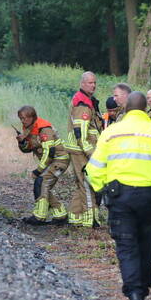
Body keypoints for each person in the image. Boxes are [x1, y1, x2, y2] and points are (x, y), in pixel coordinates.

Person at [87, 91, 151, 300]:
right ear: (145, 109)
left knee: (127, 248)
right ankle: (143, 292)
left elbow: (94, 169)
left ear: (126, 109)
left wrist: (103, 189)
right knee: (146, 247)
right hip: (150, 198)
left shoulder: (110, 133)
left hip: (121, 198)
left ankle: (135, 299)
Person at [16, 105, 70, 225]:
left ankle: (39, 217)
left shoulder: (44, 128)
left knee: (41, 183)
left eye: (24, 118)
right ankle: (60, 214)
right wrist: (22, 142)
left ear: (32, 117)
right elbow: (28, 149)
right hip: (52, 161)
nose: (22, 121)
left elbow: (49, 152)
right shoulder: (28, 128)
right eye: (20, 118)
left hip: (59, 160)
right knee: (44, 186)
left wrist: (38, 170)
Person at [65, 71, 103, 227]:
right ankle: (89, 220)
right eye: (89, 83)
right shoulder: (83, 103)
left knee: (81, 183)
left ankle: (75, 216)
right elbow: (80, 132)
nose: (93, 85)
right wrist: (90, 153)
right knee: (87, 183)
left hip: (79, 149)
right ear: (82, 83)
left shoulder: (87, 100)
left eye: (94, 83)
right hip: (81, 150)